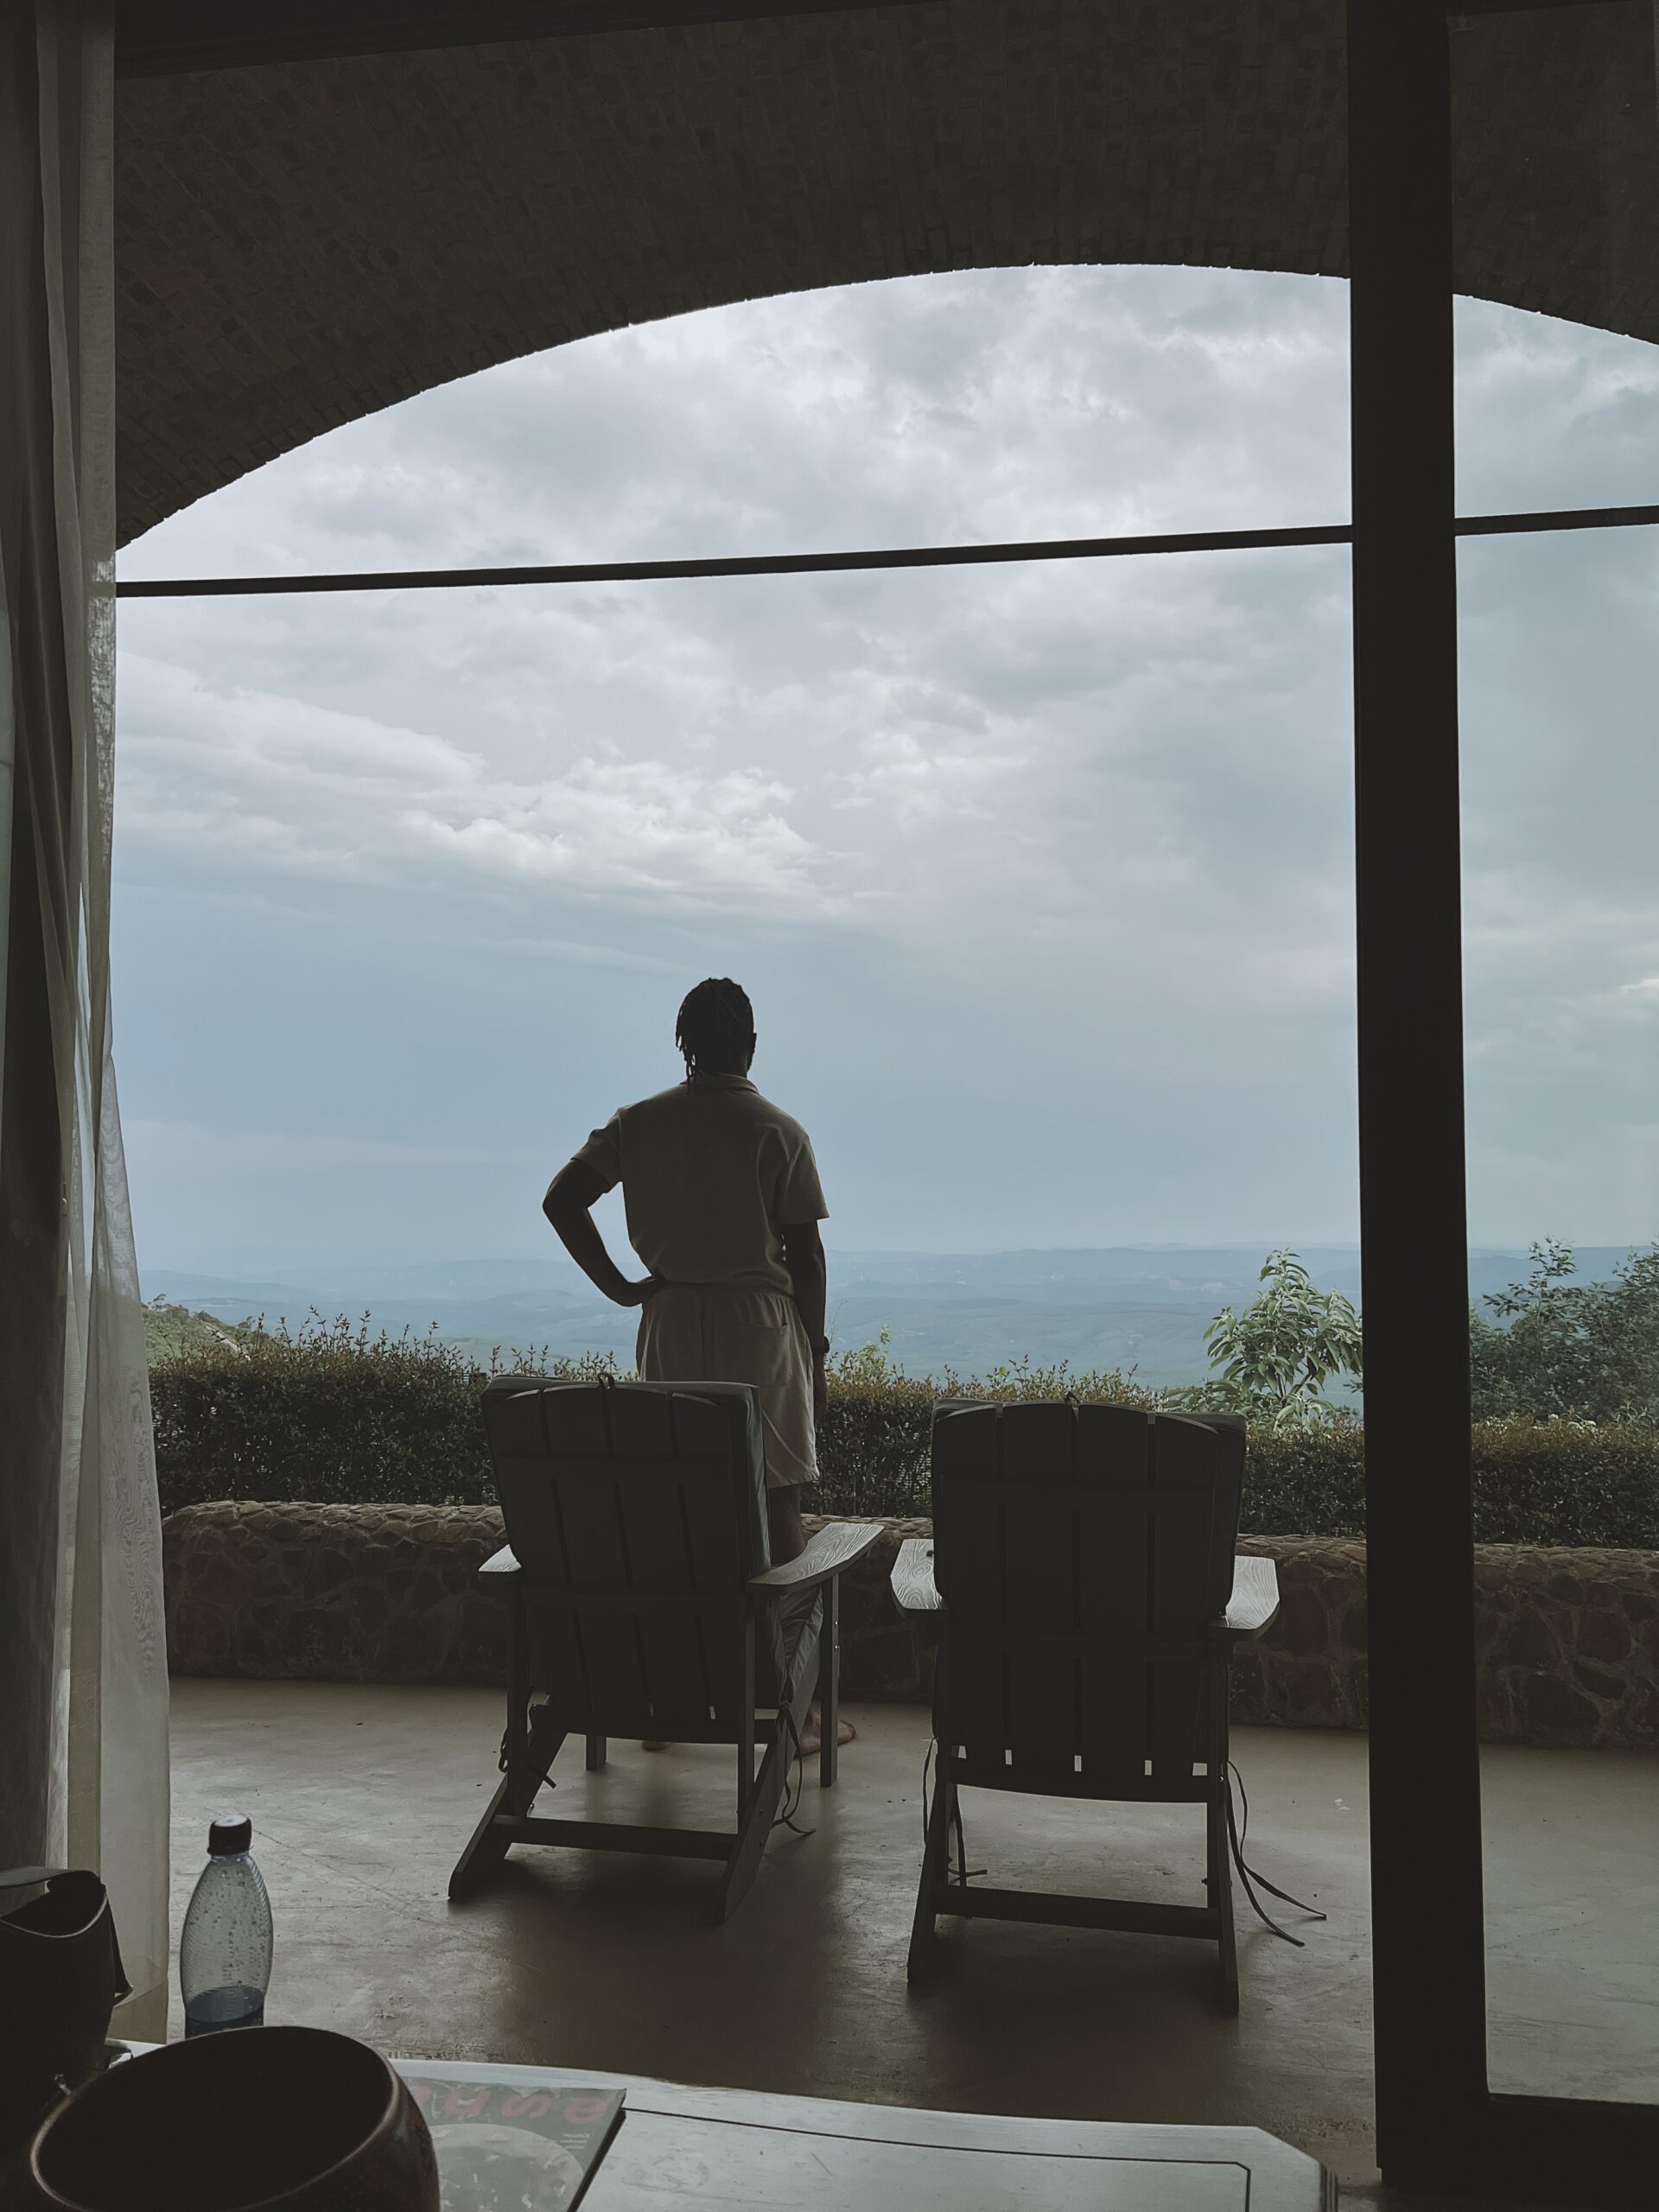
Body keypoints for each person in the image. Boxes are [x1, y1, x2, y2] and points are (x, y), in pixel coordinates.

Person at [542, 976, 851, 1753]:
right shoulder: (777, 1132)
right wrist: (813, 1350)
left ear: (682, 1042)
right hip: (762, 1330)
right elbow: (806, 1252)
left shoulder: (637, 1125)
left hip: (671, 1322)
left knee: (670, 1511)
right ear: (750, 1043)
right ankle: (795, 1709)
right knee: (779, 1509)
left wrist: (621, 1289)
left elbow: (562, 1199)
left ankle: (663, 1701)